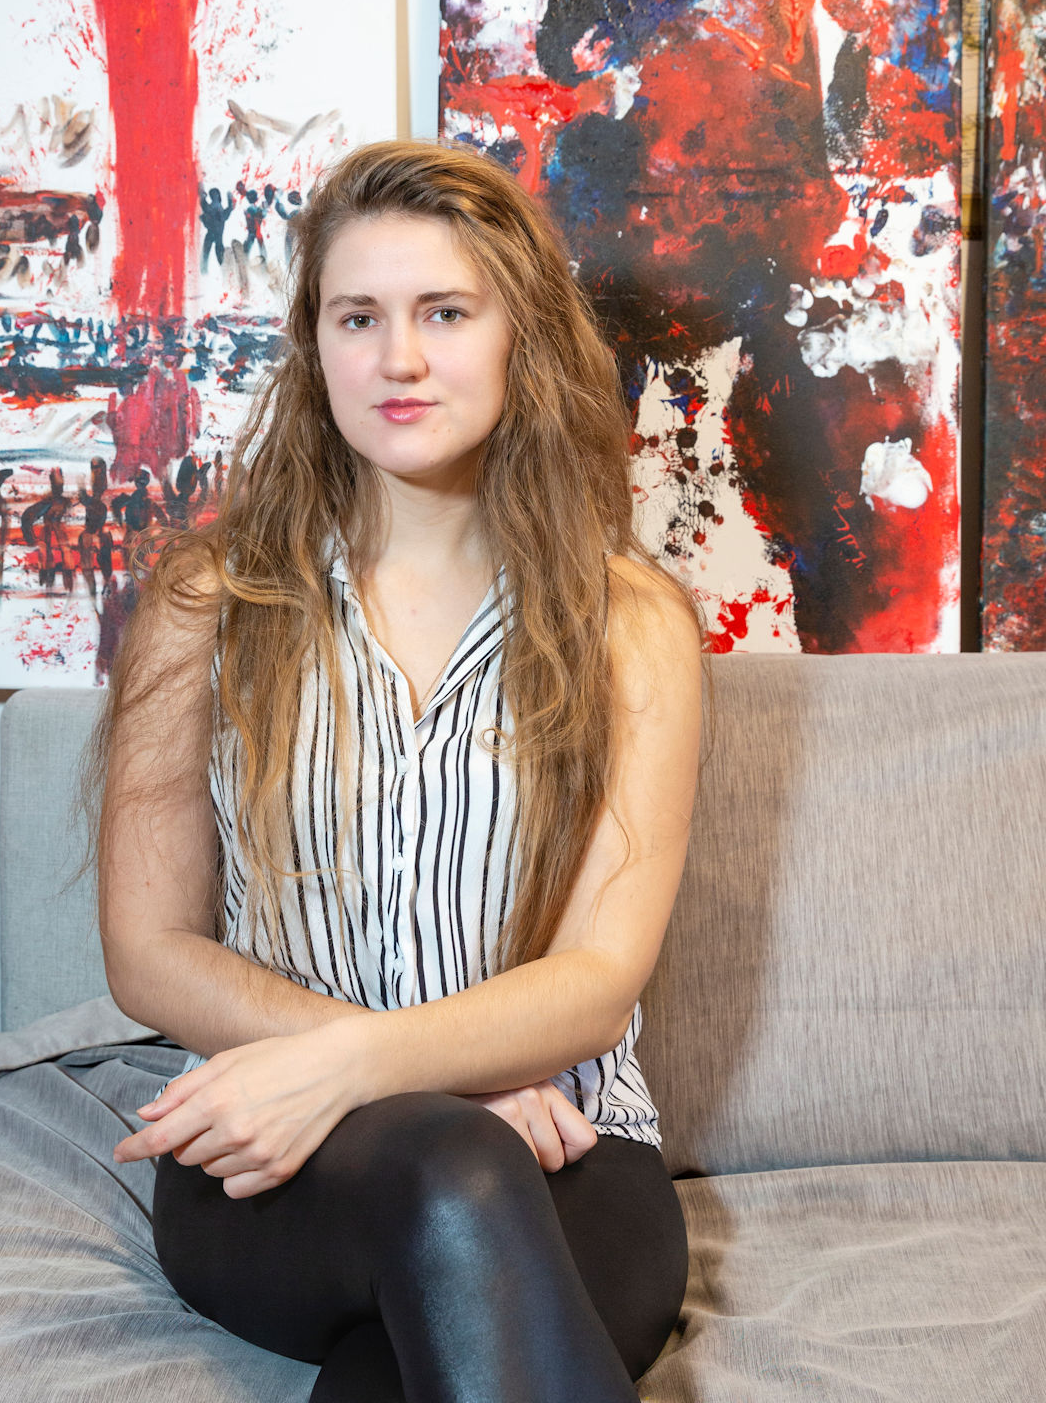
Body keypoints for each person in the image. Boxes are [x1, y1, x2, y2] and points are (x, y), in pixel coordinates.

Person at [92, 140, 707, 1401]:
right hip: (276, 1160)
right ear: (314, 348)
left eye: (445, 313)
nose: (400, 359)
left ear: (520, 335)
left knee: (395, 1366)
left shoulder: (629, 623)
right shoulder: (207, 603)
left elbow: (598, 982)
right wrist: (397, 1076)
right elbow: (149, 952)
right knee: (451, 1164)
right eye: (358, 317)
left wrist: (377, 1068)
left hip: (570, 1148)